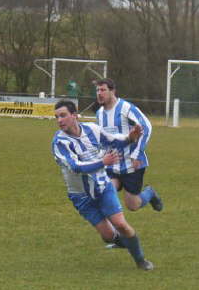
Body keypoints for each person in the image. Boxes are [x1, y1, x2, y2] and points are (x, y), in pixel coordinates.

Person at [52, 100, 154, 270]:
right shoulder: (60, 142)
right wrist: (103, 162)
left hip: (102, 187)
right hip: (81, 197)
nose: (59, 120)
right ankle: (126, 242)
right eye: (57, 117)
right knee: (108, 236)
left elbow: (113, 140)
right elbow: (76, 167)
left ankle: (141, 260)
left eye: (63, 115)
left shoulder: (92, 129)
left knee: (121, 224)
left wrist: (130, 137)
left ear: (74, 116)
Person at [95, 79, 163, 215]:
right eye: (97, 90)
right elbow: (103, 138)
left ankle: (149, 193)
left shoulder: (126, 108)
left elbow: (146, 127)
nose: (99, 93)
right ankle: (117, 231)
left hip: (132, 164)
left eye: (103, 90)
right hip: (112, 165)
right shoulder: (99, 114)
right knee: (106, 196)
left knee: (133, 205)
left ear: (112, 91)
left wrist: (137, 154)